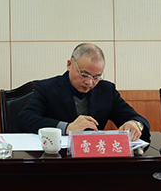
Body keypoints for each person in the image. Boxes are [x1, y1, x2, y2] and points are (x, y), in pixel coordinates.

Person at [18, 43, 149, 141]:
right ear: (69, 65)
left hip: (94, 157)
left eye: (96, 77)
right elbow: (25, 119)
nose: (89, 82)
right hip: (57, 158)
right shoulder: (47, 88)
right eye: (84, 74)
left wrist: (135, 124)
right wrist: (67, 128)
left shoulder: (106, 90)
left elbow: (137, 118)